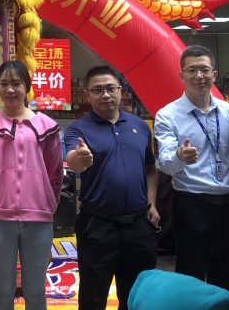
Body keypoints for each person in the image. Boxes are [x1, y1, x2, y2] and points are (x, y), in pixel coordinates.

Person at [0, 60, 63, 310]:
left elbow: (54, 170)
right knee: (2, 291)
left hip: (38, 217)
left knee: (36, 292)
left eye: (16, 83)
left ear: (26, 87)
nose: (10, 89)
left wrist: (50, 202)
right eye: (4, 84)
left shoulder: (47, 126)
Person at [64, 65, 159, 310]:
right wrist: (81, 158)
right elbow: (73, 160)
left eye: (110, 88)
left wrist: (152, 203)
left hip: (139, 225)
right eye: (97, 90)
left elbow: (150, 168)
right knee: (93, 297)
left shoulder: (140, 126)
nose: (105, 94)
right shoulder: (78, 129)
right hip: (97, 225)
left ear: (120, 91)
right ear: (87, 95)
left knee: (137, 297)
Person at [154, 45, 229, 295]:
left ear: (214, 74)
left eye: (204, 69)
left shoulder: (227, 111)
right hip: (190, 203)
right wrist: (179, 157)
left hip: (227, 203)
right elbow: (166, 164)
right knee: (190, 275)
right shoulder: (167, 115)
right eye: (192, 70)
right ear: (181, 75)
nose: (199, 76)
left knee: (225, 273)